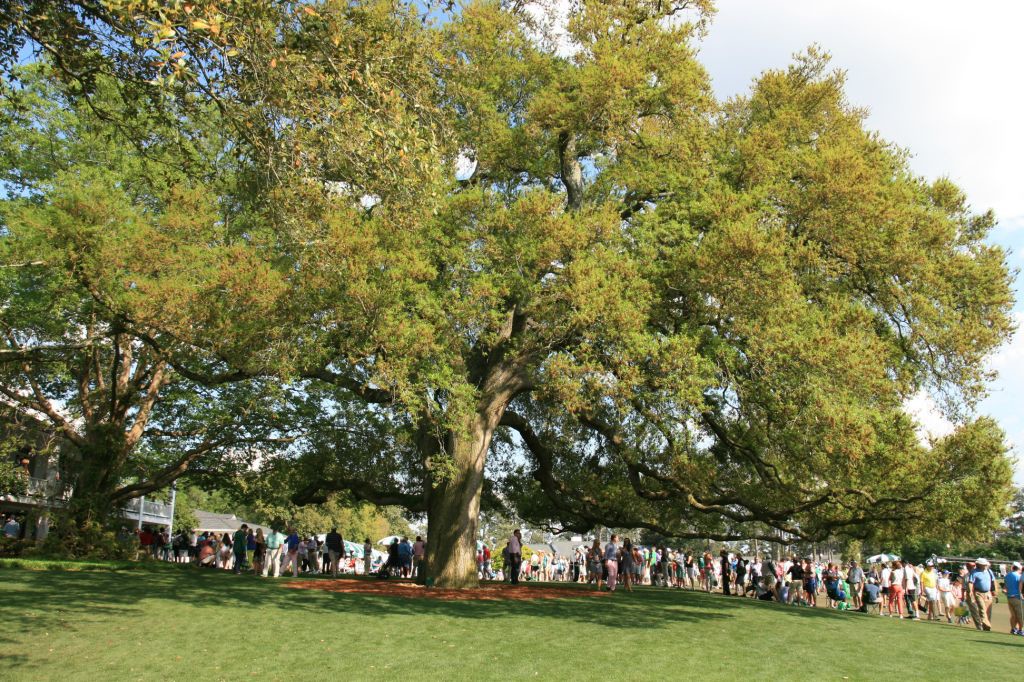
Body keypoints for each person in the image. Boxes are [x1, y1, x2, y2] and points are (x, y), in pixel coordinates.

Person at [967, 557, 997, 631]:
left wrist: (995, 591)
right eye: (984, 564)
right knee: (982, 609)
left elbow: (993, 581)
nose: (985, 566)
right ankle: (986, 624)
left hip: (988, 593)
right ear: (979, 565)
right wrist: (970, 591)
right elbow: (971, 582)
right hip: (978, 592)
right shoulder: (974, 572)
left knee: (988, 610)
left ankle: (986, 626)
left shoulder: (989, 571)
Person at [1003, 561, 1023, 636]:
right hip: (1017, 597)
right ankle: (1021, 630)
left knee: (1013, 615)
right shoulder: (1019, 576)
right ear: (1019, 568)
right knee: (1020, 615)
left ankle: (1013, 629)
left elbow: (1005, 586)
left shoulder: (1007, 575)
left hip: (1009, 597)